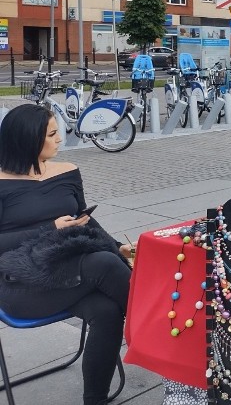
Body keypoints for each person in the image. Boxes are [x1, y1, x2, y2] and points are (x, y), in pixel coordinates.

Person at [0, 104, 132, 405]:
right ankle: (164, 334)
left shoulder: (67, 171)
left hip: (70, 270)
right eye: (52, 133)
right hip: (20, 282)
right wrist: (50, 228)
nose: (60, 138)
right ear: (28, 140)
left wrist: (117, 246)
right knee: (102, 262)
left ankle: (94, 400)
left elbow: (83, 219)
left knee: (107, 310)